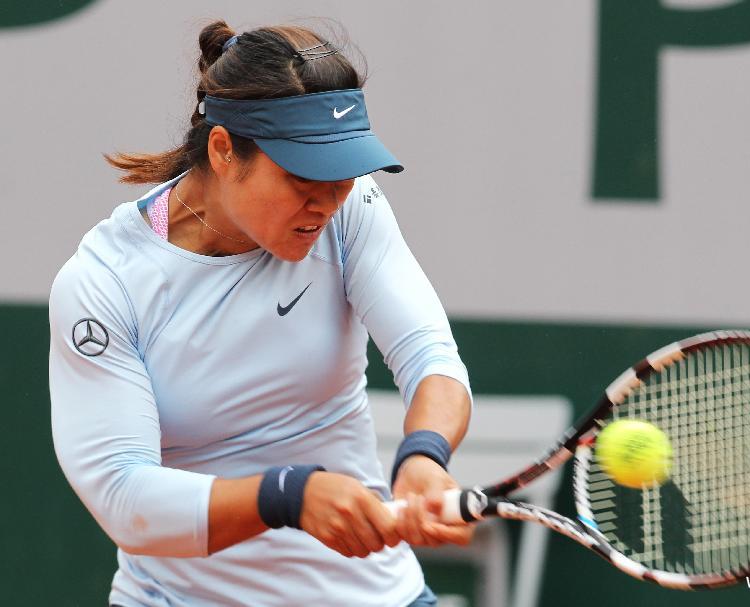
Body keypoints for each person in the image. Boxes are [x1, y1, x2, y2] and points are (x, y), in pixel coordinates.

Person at [48, 20, 473, 607]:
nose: (326, 203)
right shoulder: (105, 284)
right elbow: (123, 499)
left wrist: (425, 454)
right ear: (223, 150)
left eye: (344, 178)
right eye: (303, 178)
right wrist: (285, 495)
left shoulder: (352, 213)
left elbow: (431, 356)